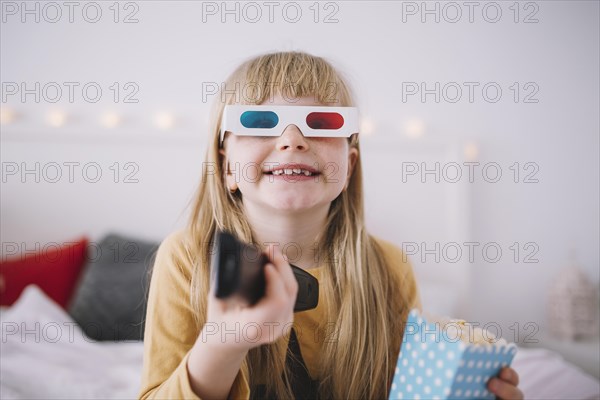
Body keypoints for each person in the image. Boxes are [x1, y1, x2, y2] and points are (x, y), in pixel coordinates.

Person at [138, 51, 523, 400]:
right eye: (259, 122)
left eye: (321, 124)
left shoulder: (388, 266)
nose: (292, 139)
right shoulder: (188, 258)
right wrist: (224, 343)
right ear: (226, 168)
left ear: (349, 166)